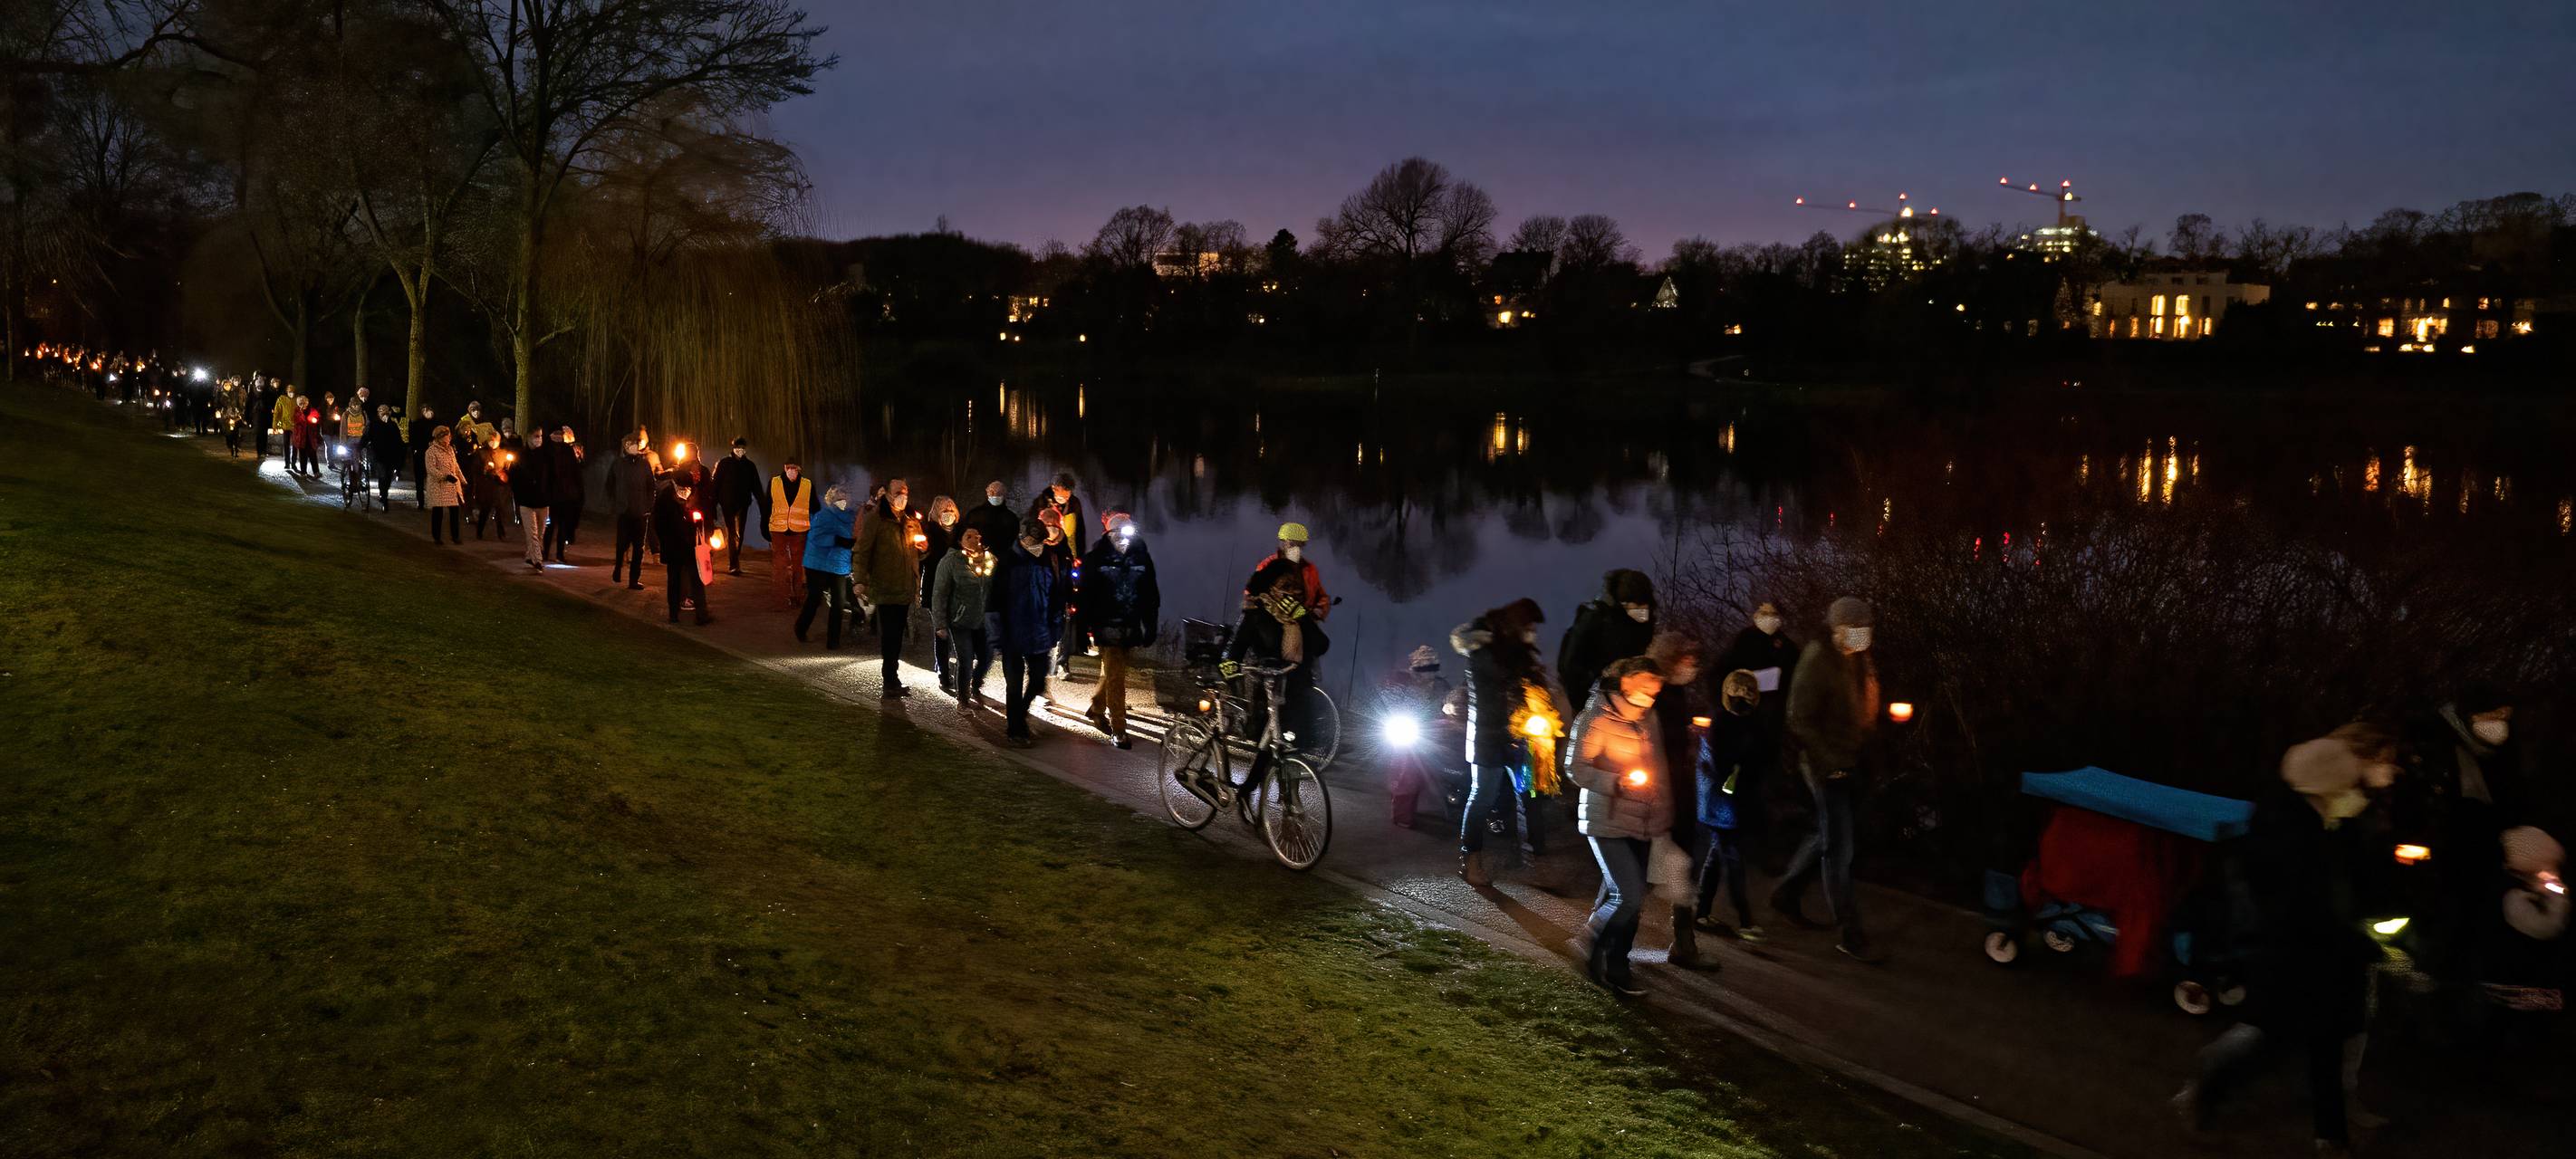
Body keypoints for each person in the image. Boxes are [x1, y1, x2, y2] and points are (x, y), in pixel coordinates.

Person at [2176, 726, 2400, 1157]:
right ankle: (2208, 1082)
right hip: (2295, 954)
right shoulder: (2293, 831)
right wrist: (2356, 937)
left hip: (2330, 953)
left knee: (2330, 1038)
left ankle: (2331, 1133)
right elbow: (2302, 902)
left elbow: (2354, 881)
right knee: (2270, 1039)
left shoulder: (2336, 818)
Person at [1773, 595, 1884, 963]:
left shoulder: (1857, 660)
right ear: (1838, 629)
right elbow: (1799, 718)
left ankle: (1786, 894)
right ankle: (1851, 933)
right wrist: (1830, 762)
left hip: (1850, 761)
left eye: (1866, 629)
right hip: (1825, 767)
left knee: (1827, 834)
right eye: (1856, 630)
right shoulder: (1818, 661)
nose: (1862, 636)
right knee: (1840, 848)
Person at [1568, 656, 1673, 998]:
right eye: (1646, 687)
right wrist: (1616, 782)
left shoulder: (1648, 719)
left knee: (1627, 899)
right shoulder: (1595, 717)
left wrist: (1661, 814)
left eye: (1656, 690)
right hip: (1606, 818)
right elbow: (1575, 768)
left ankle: (1617, 967)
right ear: (1625, 682)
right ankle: (1589, 942)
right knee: (1628, 895)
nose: (1651, 695)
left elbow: (1659, 771)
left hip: (1641, 820)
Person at [1452, 598, 1556, 886]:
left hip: (1520, 739)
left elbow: (1530, 687)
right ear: (1515, 626)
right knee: (1482, 797)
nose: (1532, 631)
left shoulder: (1518, 653)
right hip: (1488, 739)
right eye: (1529, 626)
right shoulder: (1483, 652)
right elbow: (1494, 697)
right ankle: (1470, 859)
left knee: (1530, 797)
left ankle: (1535, 861)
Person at [1645, 632, 1714, 969]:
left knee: (1679, 864)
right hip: (1660, 792)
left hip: (1679, 790)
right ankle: (1601, 934)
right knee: (1641, 868)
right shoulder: (1653, 694)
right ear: (1671, 660)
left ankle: (1684, 942)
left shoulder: (1675, 692)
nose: (1693, 666)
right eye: (1687, 659)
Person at [1716, 601, 1798, 867]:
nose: (1771, 620)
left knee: (1762, 784)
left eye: (1775, 615)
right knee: (1738, 783)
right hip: (1743, 723)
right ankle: (1735, 841)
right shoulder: (1744, 642)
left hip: (1771, 726)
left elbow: (1793, 680)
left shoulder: (1787, 647)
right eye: (1766, 615)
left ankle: (1757, 844)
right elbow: (1723, 676)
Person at [1694, 669, 1767, 944]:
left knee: (1718, 854)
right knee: (1733, 858)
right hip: (1721, 803)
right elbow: (1721, 766)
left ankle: (1701, 912)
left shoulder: (1752, 722)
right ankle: (1745, 919)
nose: (1743, 700)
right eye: (1738, 694)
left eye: (1748, 694)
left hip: (1733, 802)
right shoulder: (1721, 724)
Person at [1074, 512, 1159, 749]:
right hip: (1106, 625)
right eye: (1117, 532)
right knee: (1116, 676)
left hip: (1130, 625)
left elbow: (1150, 594)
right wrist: (1082, 629)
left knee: (1112, 671)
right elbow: (1086, 597)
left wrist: (1149, 625)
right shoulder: (1096, 559)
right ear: (1108, 533)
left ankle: (1097, 706)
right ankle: (1119, 729)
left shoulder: (1141, 558)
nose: (1122, 538)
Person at [989, 517, 1062, 747]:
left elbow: (1056, 596)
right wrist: (996, 633)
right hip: (1012, 632)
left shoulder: (1048, 560)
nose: (1033, 544)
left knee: (1038, 680)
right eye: (1029, 539)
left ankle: (1019, 715)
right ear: (1021, 538)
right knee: (1014, 682)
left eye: (1037, 540)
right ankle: (1015, 729)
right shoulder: (1008, 560)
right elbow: (994, 599)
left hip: (1039, 631)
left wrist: (1056, 626)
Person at [855, 477, 922, 699]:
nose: (902, 496)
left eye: (905, 491)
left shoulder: (911, 520)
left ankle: (893, 679)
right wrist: (859, 579)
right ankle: (889, 680)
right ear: (888, 495)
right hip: (885, 586)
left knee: (897, 636)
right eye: (897, 492)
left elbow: (917, 552)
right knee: (890, 635)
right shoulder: (877, 519)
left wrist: (924, 548)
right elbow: (863, 550)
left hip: (904, 587)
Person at [1557, 569, 1658, 714]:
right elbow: (1571, 667)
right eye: (1633, 604)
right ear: (1621, 603)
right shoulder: (1595, 620)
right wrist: (1584, 706)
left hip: (1633, 708)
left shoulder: (1645, 626)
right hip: (1594, 706)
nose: (1640, 610)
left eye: (1643, 605)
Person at [1386, 646, 1454, 829]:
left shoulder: (1441, 685)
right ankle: (1402, 816)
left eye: (1431, 664)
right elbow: (1390, 702)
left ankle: (1448, 808)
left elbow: (1450, 702)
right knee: (1405, 775)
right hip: (1408, 732)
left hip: (1432, 734)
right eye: (1424, 664)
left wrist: (1451, 708)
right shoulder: (1404, 683)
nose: (1428, 669)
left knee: (1425, 775)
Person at [930, 525, 995, 704]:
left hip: (983, 620)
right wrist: (940, 624)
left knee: (987, 656)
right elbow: (940, 593)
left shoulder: (989, 559)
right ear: (960, 540)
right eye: (969, 536)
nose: (975, 540)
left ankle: (976, 686)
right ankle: (963, 699)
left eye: (977, 536)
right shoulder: (951, 561)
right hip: (960, 621)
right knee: (965, 660)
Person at [795, 484, 857, 648]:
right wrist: (837, 540)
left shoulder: (853, 517)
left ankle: (833, 641)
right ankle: (800, 628)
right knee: (814, 599)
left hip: (839, 565)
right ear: (831, 499)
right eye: (838, 497)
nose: (842, 500)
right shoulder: (824, 515)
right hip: (818, 564)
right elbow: (815, 536)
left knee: (838, 603)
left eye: (845, 496)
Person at [652, 471, 713, 626]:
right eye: (683, 487)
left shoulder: (693, 496)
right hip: (673, 546)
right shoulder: (665, 497)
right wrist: (665, 541)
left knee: (697, 579)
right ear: (675, 484)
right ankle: (673, 613)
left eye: (689, 488)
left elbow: (701, 517)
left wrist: (699, 524)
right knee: (674, 580)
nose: (687, 491)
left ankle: (702, 614)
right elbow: (658, 523)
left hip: (691, 546)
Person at [1243, 522, 1330, 622]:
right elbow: (1252, 592)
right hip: (1272, 619)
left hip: (1302, 619)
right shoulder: (1268, 564)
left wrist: (1319, 610)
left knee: (1319, 638)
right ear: (1282, 543)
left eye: (1300, 545)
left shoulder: (1309, 569)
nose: (1296, 548)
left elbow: (1322, 597)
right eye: (1292, 544)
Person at [763, 460, 817, 610]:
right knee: (780, 566)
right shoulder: (774, 482)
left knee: (798, 565)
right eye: (790, 468)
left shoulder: (807, 485)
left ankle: (797, 596)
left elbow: (815, 506)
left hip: (799, 531)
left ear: (799, 469)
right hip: (778, 530)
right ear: (785, 468)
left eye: (795, 468)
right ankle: (781, 599)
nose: (792, 471)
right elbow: (767, 505)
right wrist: (764, 526)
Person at [605, 436, 658, 590]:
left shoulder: (645, 464)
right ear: (625, 447)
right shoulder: (618, 464)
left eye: (635, 444)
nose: (633, 447)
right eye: (630, 444)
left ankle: (634, 579)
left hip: (641, 513)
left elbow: (651, 487)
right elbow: (610, 484)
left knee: (639, 547)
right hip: (624, 511)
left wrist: (648, 506)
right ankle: (618, 567)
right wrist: (615, 502)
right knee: (621, 544)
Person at [921, 496, 960, 685]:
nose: (948, 513)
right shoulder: (928, 531)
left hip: (958, 590)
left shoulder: (962, 534)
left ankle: (961, 667)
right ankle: (944, 672)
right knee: (941, 630)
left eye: (951, 509)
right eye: (943, 510)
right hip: (935, 587)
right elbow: (922, 557)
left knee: (958, 630)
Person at [509, 426, 555, 570]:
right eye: (536, 436)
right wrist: (519, 496)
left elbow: (552, 477)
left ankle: (530, 556)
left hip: (543, 501)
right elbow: (514, 478)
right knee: (532, 532)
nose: (539, 439)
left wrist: (549, 493)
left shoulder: (546, 456)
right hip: (526, 502)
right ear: (529, 437)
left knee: (540, 532)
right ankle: (538, 560)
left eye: (540, 436)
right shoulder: (521, 456)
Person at [712, 437, 760, 576]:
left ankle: (736, 557)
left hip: (743, 504)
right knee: (732, 532)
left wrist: (763, 504)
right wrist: (714, 504)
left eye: (742, 447)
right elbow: (716, 485)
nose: (740, 450)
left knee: (740, 534)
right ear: (733, 448)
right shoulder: (724, 464)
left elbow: (756, 486)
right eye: (738, 447)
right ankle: (734, 564)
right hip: (727, 504)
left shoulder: (750, 466)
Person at [542, 426, 585, 563]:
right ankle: (545, 552)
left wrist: (577, 490)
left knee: (562, 526)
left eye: (560, 434)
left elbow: (575, 471)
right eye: (556, 434)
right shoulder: (547, 450)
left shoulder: (567, 450)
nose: (558, 436)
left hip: (565, 495)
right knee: (549, 526)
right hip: (552, 495)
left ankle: (559, 553)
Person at [422, 426, 465, 544]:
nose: (449, 438)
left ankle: (455, 536)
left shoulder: (450, 449)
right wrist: (444, 476)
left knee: (455, 511)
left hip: (451, 486)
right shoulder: (431, 451)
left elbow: (456, 466)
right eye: (447, 436)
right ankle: (437, 537)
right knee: (438, 512)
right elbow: (431, 469)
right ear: (440, 438)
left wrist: (462, 479)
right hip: (438, 486)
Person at [963, 480, 1021, 567]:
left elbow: (1013, 538)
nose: (995, 496)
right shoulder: (974, 514)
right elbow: (966, 534)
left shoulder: (1011, 518)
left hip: (1003, 562)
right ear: (987, 494)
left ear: (1004, 495)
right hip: (977, 559)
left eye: (999, 493)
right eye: (993, 492)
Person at [1027, 471, 1088, 552]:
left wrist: (1079, 553)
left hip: (1065, 548)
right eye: (1061, 496)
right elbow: (1031, 524)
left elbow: (1080, 529)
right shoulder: (1041, 501)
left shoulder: (1074, 503)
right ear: (1054, 488)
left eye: (1067, 496)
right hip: (1044, 547)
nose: (1064, 499)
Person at [366, 404, 404, 509]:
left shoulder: (393, 426)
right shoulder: (374, 424)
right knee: (382, 475)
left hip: (390, 456)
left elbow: (398, 441)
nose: (384, 416)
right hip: (378, 455)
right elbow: (367, 437)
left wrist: (400, 452)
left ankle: (384, 492)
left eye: (386, 413)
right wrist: (359, 447)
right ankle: (383, 497)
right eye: (382, 413)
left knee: (388, 477)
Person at [407, 406, 439, 509]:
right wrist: (416, 449)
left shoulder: (437, 424)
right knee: (420, 479)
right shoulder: (417, 424)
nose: (429, 413)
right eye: (426, 411)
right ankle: (420, 501)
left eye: (430, 411)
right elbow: (413, 438)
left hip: (434, 454)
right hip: (421, 454)